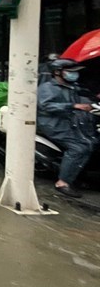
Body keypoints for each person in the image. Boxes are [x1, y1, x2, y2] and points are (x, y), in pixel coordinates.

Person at [37, 59, 98, 198]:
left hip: (72, 121)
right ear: (58, 73)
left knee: (92, 143)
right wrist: (72, 106)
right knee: (79, 148)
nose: (74, 75)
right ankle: (62, 183)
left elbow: (84, 96)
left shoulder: (72, 86)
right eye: (70, 72)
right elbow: (45, 106)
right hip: (54, 124)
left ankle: (76, 177)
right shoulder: (47, 88)